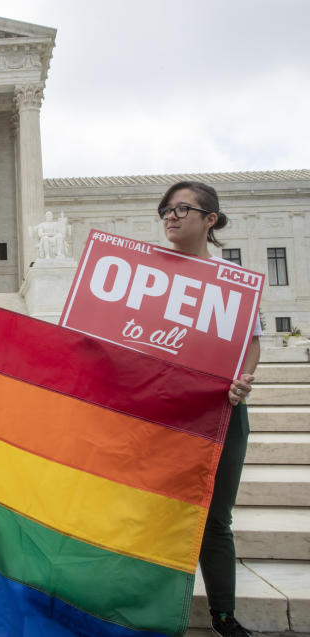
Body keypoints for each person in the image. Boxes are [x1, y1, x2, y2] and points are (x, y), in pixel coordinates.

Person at [157, 180, 261, 637]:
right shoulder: (146, 274)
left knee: (216, 518)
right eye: (165, 209)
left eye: (182, 208)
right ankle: (150, 611)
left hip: (221, 411)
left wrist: (242, 381)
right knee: (156, 512)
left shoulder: (232, 281)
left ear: (209, 220)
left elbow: (250, 342)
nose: (171, 216)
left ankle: (223, 615)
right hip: (161, 411)